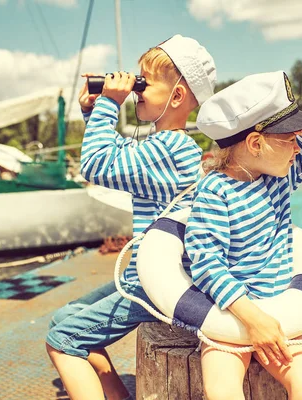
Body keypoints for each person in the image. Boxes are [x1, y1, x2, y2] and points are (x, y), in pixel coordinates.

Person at [46, 34, 217, 400]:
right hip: (145, 274)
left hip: (158, 282)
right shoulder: (165, 146)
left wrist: (111, 103)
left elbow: (95, 164)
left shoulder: (171, 149)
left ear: (177, 96)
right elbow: (117, 154)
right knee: (64, 319)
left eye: (145, 83)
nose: (136, 90)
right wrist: (96, 111)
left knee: (61, 341)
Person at [184, 71, 302, 400]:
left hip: (282, 313)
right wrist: (254, 320)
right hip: (231, 315)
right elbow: (207, 262)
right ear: (255, 143)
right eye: (289, 140)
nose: (298, 149)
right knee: (222, 391)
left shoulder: (277, 177)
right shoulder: (215, 192)